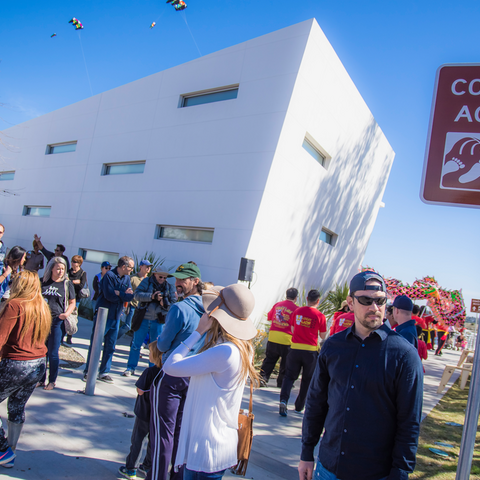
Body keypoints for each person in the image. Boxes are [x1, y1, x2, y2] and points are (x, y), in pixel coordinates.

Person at [298, 271, 423, 480]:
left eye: (380, 301)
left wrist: (400, 472)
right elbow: (316, 402)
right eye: (366, 300)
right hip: (328, 468)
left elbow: (409, 421)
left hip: (375, 473)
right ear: (350, 302)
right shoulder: (333, 347)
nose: (375, 307)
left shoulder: (405, 355)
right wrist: (306, 453)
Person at [163, 284, 259, 480]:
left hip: (206, 450)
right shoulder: (241, 349)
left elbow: (170, 366)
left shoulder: (224, 352)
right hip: (216, 446)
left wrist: (198, 331)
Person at [148, 262, 205, 480]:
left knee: (163, 433)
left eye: (183, 279)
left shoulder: (179, 308)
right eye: (177, 279)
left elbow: (162, 345)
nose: (178, 283)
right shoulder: (209, 310)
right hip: (194, 376)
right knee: (182, 433)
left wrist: (160, 342)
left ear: (196, 282)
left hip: (171, 375)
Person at [0, 270, 52, 467]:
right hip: (38, 364)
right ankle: (10, 450)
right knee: (16, 406)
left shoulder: (14, 305)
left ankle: (3, 450)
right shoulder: (42, 306)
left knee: (15, 406)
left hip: (16, 363)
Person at [83, 256, 135, 384]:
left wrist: (120, 294)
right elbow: (109, 295)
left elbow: (130, 296)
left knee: (110, 346)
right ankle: (88, 371)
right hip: (103, 315)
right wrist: (122, 295)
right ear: (124, 267)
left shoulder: (127, 278)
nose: (132, 270)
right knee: (96, 343)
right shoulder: (109, 276)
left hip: (116, 316)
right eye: (131, 267)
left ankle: (104, 372)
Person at [118, 341, 163, 480]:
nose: (148, 355)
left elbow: (140, 390)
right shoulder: (165, 373)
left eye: (150, 353)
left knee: (137, 440)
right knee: (152, 441)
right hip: (157, 414)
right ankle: (147, 466)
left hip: (143, 412)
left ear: (155, 356)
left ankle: (130, 468)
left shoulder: (149, 372)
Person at [279, 289, 326, 416]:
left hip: (295, 349)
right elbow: (322, 335)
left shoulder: (297, 311)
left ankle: (283, 400)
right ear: (318, 300)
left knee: (289, 376)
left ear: (306, 299)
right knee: (307, 379)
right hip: (310, 352)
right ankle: (299, 406)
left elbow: (293, 329)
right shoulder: (320, 316)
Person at [123, 267, 176, 376]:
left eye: (165, 277)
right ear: (155, 274)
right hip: (143, 318)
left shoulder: (169, 287)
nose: (162, 279)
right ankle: (130, 368)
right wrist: (151, 297)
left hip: (158, 320)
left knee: (156, 348)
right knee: (136, 345)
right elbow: (136, 295)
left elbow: (173, 304)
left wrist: (165, 304)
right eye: (160, 276)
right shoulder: (146, 282)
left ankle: (153, 371)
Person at [39, 257, 76, 390]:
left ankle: (52, 380)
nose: (60, 271)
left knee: (53, 352)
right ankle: (40, 379)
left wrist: (66, 314)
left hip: (56, 322)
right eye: (58, 268)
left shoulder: (67, 284)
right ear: (51, 269)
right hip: (42, 321)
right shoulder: (43, 282)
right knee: (42, 351)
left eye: (62, 269)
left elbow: (72, 302)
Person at [259, 287, 298, 388]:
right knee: (285, 363)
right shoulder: (296, 309)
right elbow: (296, 325)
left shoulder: (278, 305)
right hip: (287, 339)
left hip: (273, 336)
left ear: (286, 295)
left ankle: (262, 378)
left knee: (269, 360)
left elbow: (269, 317)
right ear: (296, 298)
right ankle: (281, 382)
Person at [118, 260, 153, 340]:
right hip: (133, 306)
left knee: (138, 327)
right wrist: (124, 306)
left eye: (150, 267)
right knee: (128, 325)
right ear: (141, 266)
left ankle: (133, 346)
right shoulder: (133, 278)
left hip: (143, 308)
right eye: (146, 266)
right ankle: (112, 339)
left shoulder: (149, 280)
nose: (148, 268)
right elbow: (126, 291)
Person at [65, 255, 87, 346]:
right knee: (65, 315)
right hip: (66, 296)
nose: (73, 263)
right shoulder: (69, 271)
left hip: (76, 298)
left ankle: (70, 336)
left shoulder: (82, 273)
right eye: (72, 261)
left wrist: (71, 281)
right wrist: (74, 281)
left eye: (75, 261)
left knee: (73, 317)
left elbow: (81, 285)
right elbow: (65, 282)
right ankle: (62, 334)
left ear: (79, 263)